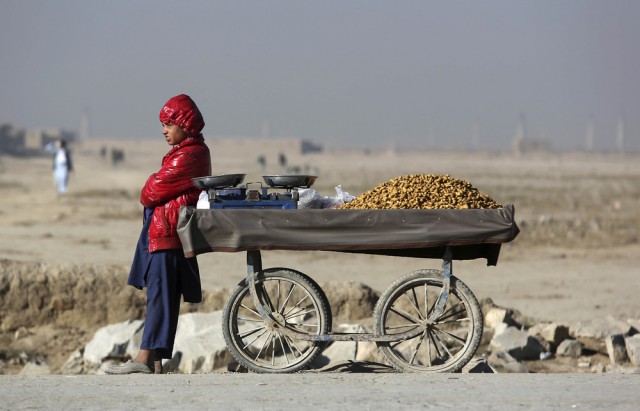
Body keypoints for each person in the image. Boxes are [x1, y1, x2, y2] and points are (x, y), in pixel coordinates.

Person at [105, 94, 211, 374]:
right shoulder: (186, 152)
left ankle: (142, 359)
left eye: (168, 124)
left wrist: (153, 182)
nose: (164, 131)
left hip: (168, 233)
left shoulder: (189, 155)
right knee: (161, 295)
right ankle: (155, 361)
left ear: (183, 124)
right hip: (165, 231)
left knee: (159, 296)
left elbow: (149, 192)